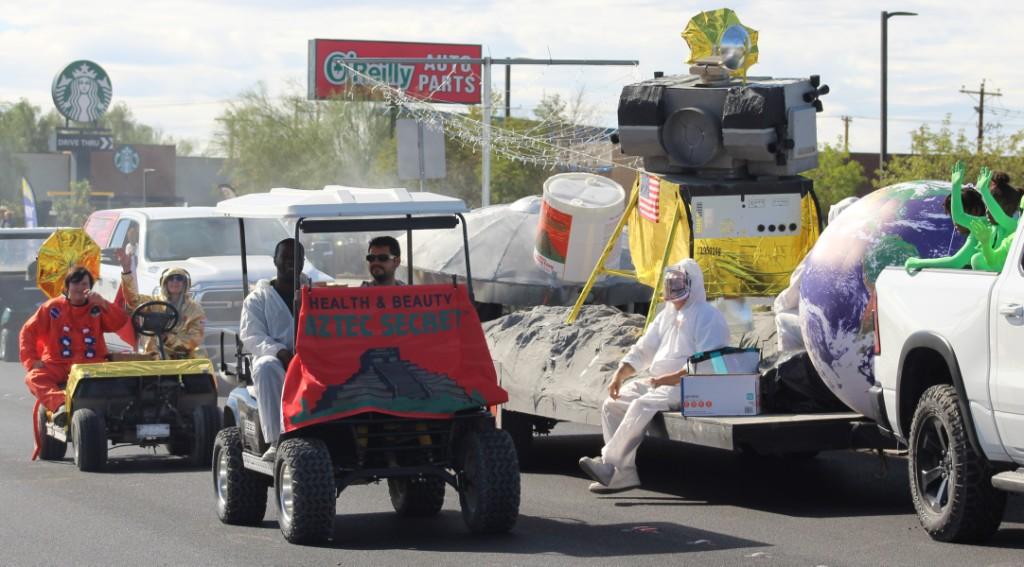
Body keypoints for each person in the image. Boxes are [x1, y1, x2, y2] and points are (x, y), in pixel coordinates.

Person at [578, 259, 729, 493]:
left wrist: (665, 380)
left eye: (678, 285)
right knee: (612, 404)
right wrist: (620, 373)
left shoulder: (708, 316)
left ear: (693, 284)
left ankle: (608, 463)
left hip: (690, 385)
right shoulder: (666, 316)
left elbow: (707, 364)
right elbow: (643, 349)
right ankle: (623, 474)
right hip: (659, 382)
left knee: (641, 404)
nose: (673, 291)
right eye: (670, 285)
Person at [19, 266, 129, 425]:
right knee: (33, 377)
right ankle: (61, 405)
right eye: (75, 283)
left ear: (90, 287)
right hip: (58, 364)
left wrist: (104, 304)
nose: (80, 288)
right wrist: (31, 360)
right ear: (67, 286)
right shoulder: (52, 307)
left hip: (91, 365)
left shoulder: (97, 306)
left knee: (121, 378)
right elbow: (28, 332)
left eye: (84, 284)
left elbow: (119, 323)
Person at [239, 238, 304, 461]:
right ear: (275, 260)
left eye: (296, 257)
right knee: (266, 367)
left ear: (303, 261)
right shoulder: (258, 299)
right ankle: (278, 440)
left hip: (311, 358)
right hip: (277, 360)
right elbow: (252, 335)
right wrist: (280, 352)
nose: (291, 262)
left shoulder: (314, 292)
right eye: (285, 257)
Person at [115, 249, 206, 359]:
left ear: (185, 283)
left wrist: (169, 339)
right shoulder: (154, 302)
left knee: (200, 356)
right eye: (171, 279)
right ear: (165, 283)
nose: (175, 282)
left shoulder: (195, 309)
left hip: (183, 353)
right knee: (157, 357)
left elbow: (195, 338)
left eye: (179, 279)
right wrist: (126, 271)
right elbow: (132, 300)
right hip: (156, 351)